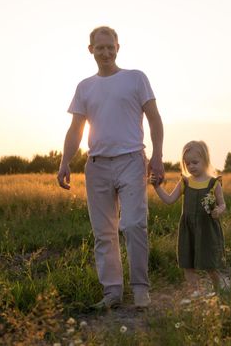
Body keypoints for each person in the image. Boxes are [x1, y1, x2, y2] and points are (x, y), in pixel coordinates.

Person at [57, 26, 164, 310]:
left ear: (118, 47)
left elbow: (154, 119)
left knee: (133, 224)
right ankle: (112, 292)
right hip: (97, 166)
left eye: (110, 47)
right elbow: (75, 129)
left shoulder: (135, 78)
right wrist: (65, 161)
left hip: (131, 160)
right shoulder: (85, 87)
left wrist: (158, 156)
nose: (105, 52)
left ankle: (141, 289)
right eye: (100, 47)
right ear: (90, 50)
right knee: (103, 232)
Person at [150, 141, 228, 295]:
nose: (191, 166)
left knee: (210, 265)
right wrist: (157, 187)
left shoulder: (213, 183)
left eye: (195, 162)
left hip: (207, 230)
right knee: (188, 264)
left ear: (205, 160)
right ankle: (196, 296)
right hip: (188, 229)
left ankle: (220, 291)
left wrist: (218, 211)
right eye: (187, 163)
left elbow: (223, 204)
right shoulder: (185, 182)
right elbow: (169, 200)